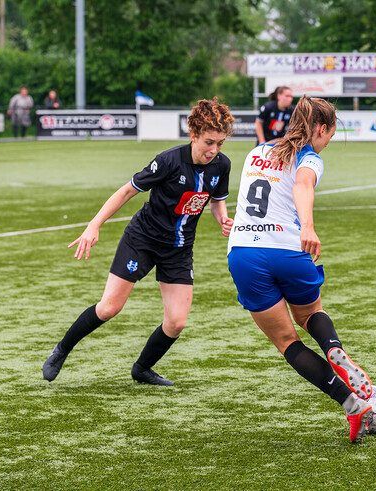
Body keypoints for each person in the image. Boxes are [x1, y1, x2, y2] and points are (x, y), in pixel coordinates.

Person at [42, 98, 235, 386]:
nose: (214, 150)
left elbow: (216, 202)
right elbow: (126, 191)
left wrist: (223, 219)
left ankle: (142, 369)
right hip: (142, 240)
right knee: (109, 307)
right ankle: (62, 350)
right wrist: (94, 225)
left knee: (177, 322)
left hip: (179, 249)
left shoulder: (221, 165)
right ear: (193, 134)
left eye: (219, 143)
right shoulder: (169, 161)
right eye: (209, 142)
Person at [228, 96, 376, 443]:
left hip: (245, 253)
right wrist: (307, 225)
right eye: (329, 136)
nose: (326, 144)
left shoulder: (256, 152)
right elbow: (302, 184)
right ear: (320, 129)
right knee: (310, 316)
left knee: (286, 342)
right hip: (288, 250)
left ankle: (351, 405)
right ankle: (333, 347)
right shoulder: (309, 157)